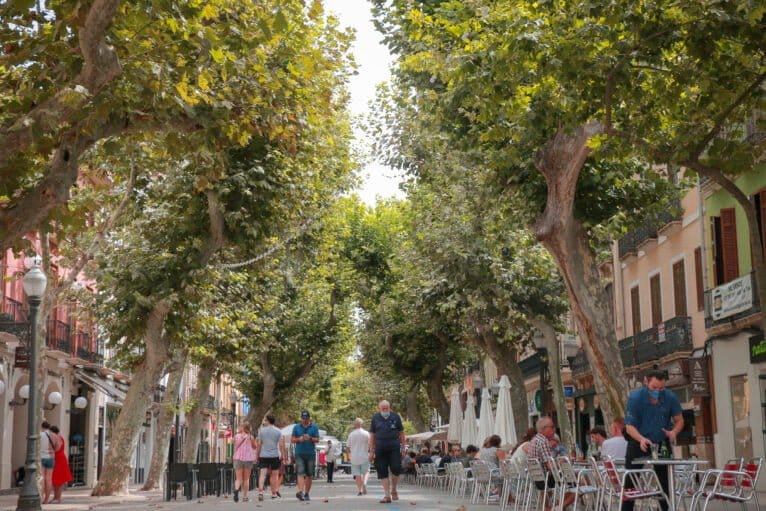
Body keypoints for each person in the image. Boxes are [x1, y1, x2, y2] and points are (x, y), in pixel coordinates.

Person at [623, 369, 683, 511]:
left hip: (662, 441)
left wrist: (674, 431)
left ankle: (665, 508)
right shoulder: (636, 398)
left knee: (665, 482)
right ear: (646, 382)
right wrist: (641, 439)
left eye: (661, 388)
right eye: (654, 387)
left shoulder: (670, 397)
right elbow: (629, 426)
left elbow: (679, 420)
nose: (658, 391)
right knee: (631, 481)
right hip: (638, 441)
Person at [528, 417, 575, 511]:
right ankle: (558, 507)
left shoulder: (534, 440)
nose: (554, 429)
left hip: (538, 479)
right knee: (580, 482)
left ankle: (551, 507)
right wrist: (562, 461)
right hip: (547, 479)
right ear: (543, 428)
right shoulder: (543, 441)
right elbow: (550, 466)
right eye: (552, 427)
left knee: (572, 479)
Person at [369, 399, 405, 504]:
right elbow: (372, 435)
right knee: (382, 471)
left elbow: (402, 433)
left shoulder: (395, 417)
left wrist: (403, 448)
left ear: (389, 408)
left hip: (394, 448)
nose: (385, 410)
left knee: (396, 468)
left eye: (387, 408)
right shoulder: (375, 418)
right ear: (379, 408)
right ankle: (387, 495)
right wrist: (371, 451)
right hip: (380, 449)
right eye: (383, 408)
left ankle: (394, 489)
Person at [255, 414, 286, 501]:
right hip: (275, 455)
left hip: (264, 455)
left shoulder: (261, 431)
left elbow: (259, 444)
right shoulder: (278, 431)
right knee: (274, 475)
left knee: (262, 474)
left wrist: (257, 454)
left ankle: (261, 491)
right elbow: (280, 445)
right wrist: (283, 456)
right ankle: (274, 493)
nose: (264, 422)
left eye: (265, 420)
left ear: (268, 421)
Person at [291, 410, 319, 501]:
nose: (305, 420)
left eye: (306, 418)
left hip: (310, 453)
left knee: (309, 475)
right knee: (300, 472)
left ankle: (307, 493)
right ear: (301, 418)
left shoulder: (314, 427)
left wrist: (310, 438)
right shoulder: (296, 427)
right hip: (299, 453)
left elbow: (317, 439)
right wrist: (299, 439)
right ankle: (300, 492)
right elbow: (292, 439)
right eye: (303, 418)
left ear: (309, 418)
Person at [231, 422, 257, 502]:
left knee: (238, 478)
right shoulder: (250, 437)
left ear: (242, 428)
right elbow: (255, 446)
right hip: (248, 459)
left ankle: (236, 490)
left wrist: (238, 434)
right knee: (246, 479)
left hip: (238, 458)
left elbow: (232, 442)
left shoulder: (236, 436)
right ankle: (245, 497)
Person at [346, 417, 371, 496]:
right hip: (364, 455)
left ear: (354, 425)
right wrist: (371, 453)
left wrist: (348, 457)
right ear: (362, 424)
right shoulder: (366, 433)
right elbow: (371, 444)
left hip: (354, 457)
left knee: (357, 474)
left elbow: (347, 447)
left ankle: (360, 490)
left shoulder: (351, 434)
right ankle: (365, 483)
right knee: (366, 471)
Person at [49, 425, 73, 504]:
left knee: (59, 479)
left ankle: (57, 498)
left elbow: (57, 449)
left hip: (58, 459)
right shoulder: (59, 437)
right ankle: (56, 497)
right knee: (56, 479)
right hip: (59, 458)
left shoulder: (57, 438)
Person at [40, 421, 61, 504]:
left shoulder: (40, 434)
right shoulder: (55, 436)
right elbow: (58, 448)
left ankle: (41, 497)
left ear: (42, 427)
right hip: (51, 458)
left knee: (42, 478)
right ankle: (46, 499)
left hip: (41, 457)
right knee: (49, 479)